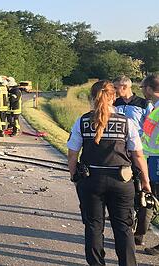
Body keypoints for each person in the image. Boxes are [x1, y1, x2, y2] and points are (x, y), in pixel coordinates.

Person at [67, 80, 151, 266]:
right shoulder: (126, 122)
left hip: (91, 181)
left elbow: (73, 155)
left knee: (93, 227)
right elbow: (138, 155)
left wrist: (75, 178)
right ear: (114, 97)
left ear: (92, 97)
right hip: (121, 181)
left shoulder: (82, 121)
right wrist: (145, 182)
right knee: (123, 228)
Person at [113, 76, 155, 245]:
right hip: (119, 152)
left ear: (124, 87)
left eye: (116, 87)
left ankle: (140, 232)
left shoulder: (144, 104)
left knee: (143, 189)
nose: (115, 91)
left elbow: (150, 128)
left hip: (139, 152)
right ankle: (126, 222)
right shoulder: (114, 104)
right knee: (124, 188)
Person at [139, 74, 159, 255]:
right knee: (152, 197)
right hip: (152, 159)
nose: (142, 91)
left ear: (150, 89)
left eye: (142, 87)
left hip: (157, 159)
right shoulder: (155, 107)